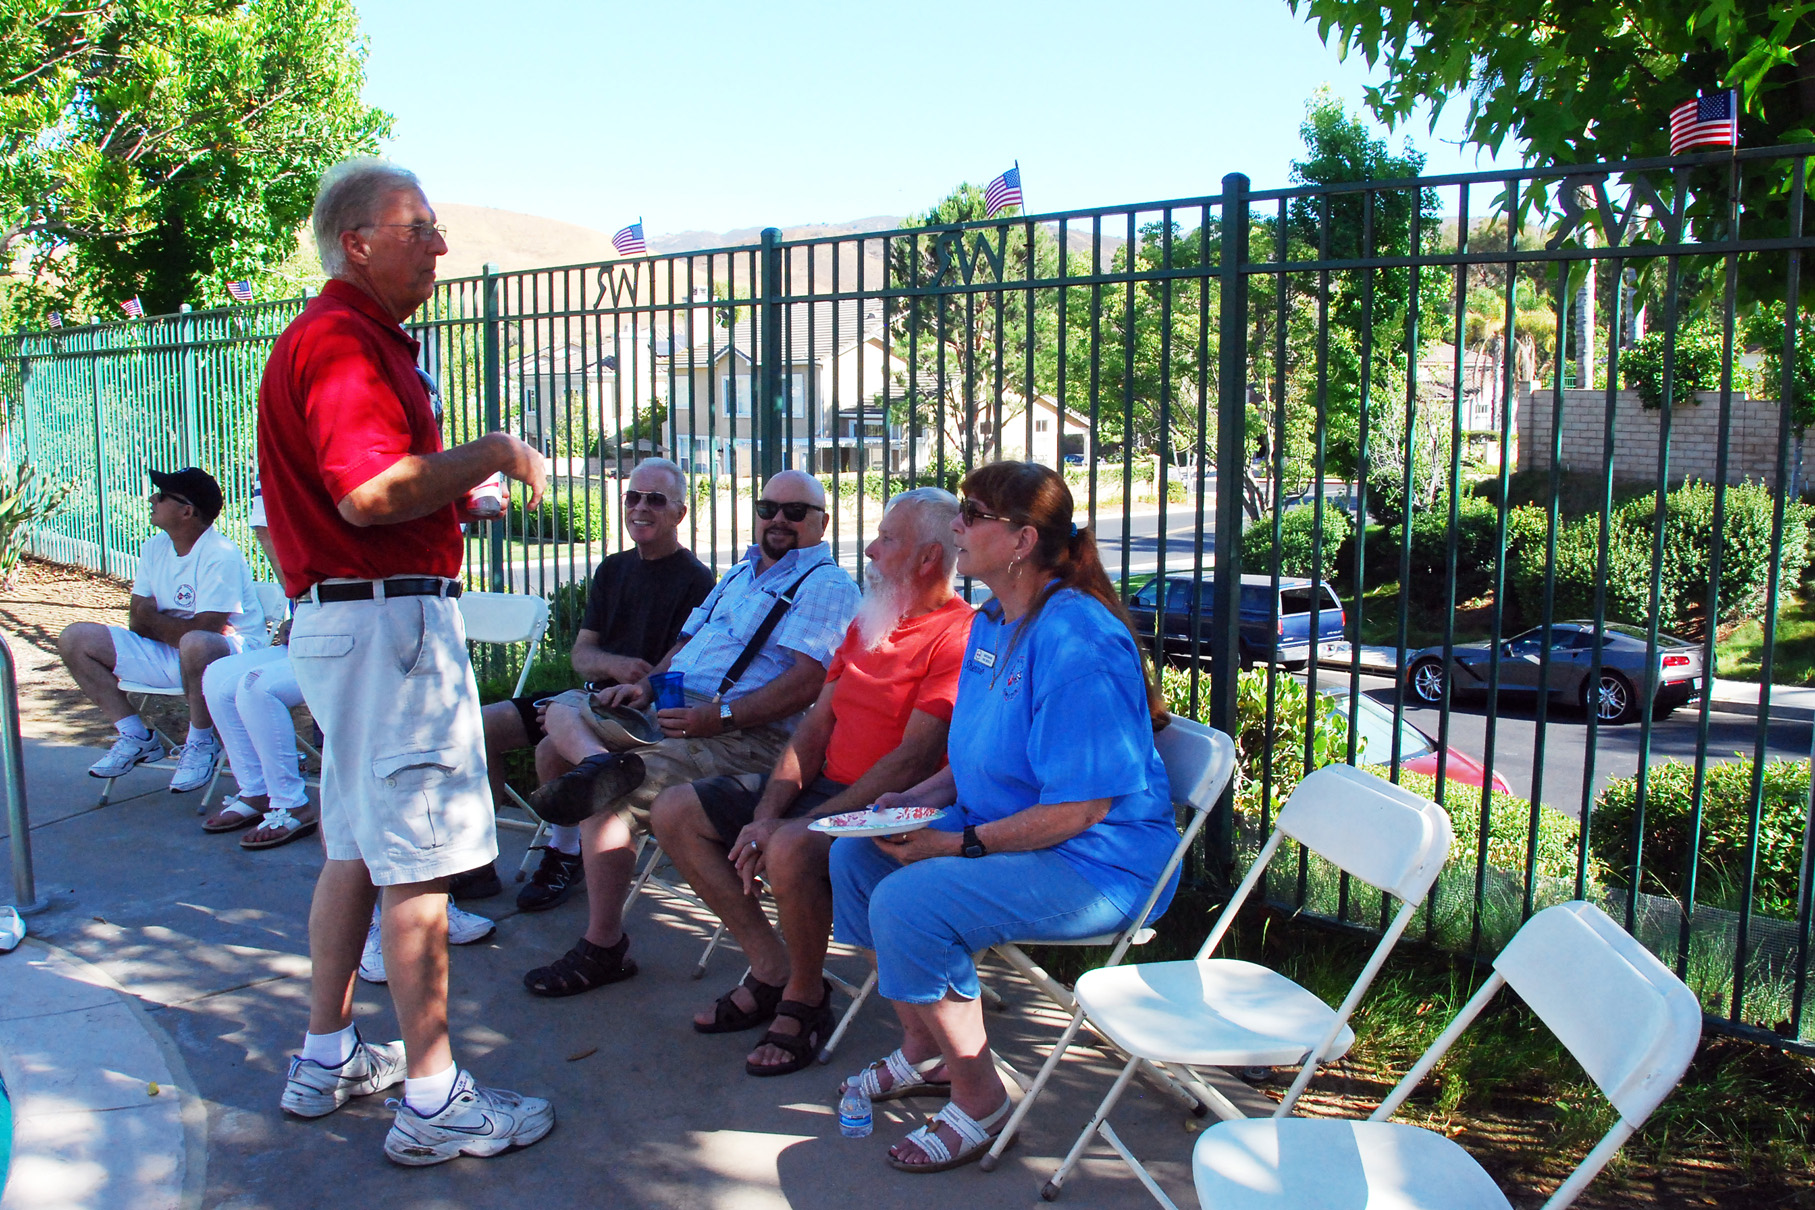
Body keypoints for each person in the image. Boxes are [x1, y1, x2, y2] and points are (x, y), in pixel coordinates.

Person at [257, 156, 553, 1166]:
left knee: (356, 844)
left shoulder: (337, 336)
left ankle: (326, 1052)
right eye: (417, 227)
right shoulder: (341, 340)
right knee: (418, 864)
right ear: (359, 242)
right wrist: (496, 451)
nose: (439, 244)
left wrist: (453, 497)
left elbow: (374, 497)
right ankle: (434, 1102)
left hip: (350, 621)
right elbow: (369, 496)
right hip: (388, 634)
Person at [828, 460, 1177, 1174]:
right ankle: (925, 1048)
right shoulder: (994, 619)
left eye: (970, 513)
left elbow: (1082, 807)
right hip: (1009, 832)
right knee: (855, 856)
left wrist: (956, 842)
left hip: (1097, 863)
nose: (955, 525)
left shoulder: (1076, 641)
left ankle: (982, 1096)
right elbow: (981, 744)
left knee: (911, 901)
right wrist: (913, 797)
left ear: (1020, 540)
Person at [649, 487, 973, 1076]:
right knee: (675, 811)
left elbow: (910, 762)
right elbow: (815, 728)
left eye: (887, 540)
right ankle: (770, 966)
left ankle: (805, 994)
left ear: (928, 558)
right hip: (825, 789)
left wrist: (799, 824)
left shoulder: (956, 635)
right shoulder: (872, 621)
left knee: (793, 846)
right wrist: (768, 810)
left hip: (891, 806)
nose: (870, 550)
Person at [519, 468, 860, 998]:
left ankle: (604, 944)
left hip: (745, 733)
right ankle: (598, 764)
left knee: (612, 803)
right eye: (768, 507)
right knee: (557, 719)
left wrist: (717, 718)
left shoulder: (826, 585)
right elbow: (685, 645)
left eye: (796, 512)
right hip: (677, 711)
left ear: (822, 522)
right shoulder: (739, 575)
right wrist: (647, 688)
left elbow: (806, 683)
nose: (778, 520)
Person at [453, 456, 714, 910]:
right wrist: (614, 665)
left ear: (679, 513)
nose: (640, 508)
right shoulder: (612, 569)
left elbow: (679, 662)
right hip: (588, 698)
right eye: (633, 497)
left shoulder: (697, 580)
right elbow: (582, 655)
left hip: (634, 711)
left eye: (655, 499)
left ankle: (564, 852)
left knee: (551, 749)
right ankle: (478, 857)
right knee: (477, 728)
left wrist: (635, 680)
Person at [59, 466, 267, 792]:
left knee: (197, 644)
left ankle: (201, 742)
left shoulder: (220, 554)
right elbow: (136, 621)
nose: (152, 498)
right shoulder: (154, 547)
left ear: (187, 511)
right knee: (75, 638)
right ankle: (135, 735)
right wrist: (164, 623)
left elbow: (204, 632)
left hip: (230, 658)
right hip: (173, 651)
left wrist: (154, 616)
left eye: (163, 495)